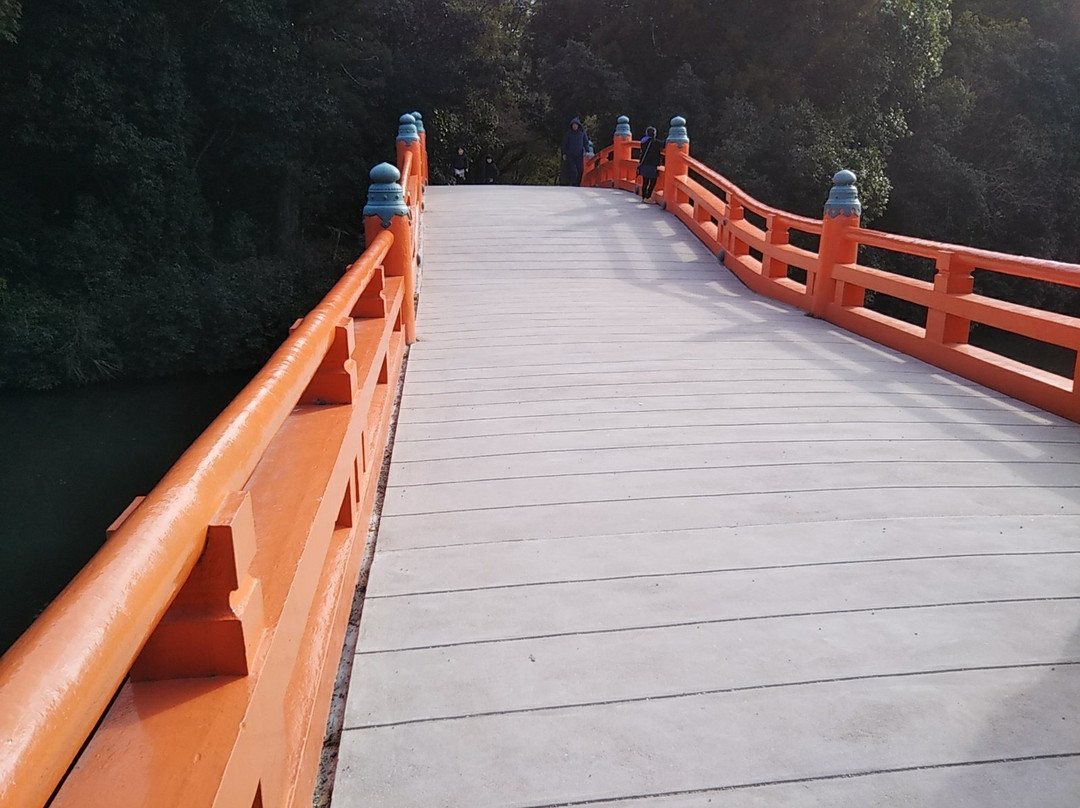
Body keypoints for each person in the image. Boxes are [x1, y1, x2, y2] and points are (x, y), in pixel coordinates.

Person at [561, 117, 589, 187]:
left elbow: (586, 142)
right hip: (570, 155)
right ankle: (574, 183)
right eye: (573, 125)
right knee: (572, 170)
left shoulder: (582, 133)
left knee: (581, 170)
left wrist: (587, 150)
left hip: (579, 155)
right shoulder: (568, 134)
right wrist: (564, 153)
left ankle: (578, 182)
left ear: (578, 125)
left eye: (576, 125)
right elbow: (565, 144)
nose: (574, 126)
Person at [637, 126, 662, 201]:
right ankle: (648, 196)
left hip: (644, 163)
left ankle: (644, 197)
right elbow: (664, 144)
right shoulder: (655, 142)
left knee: (645, 181)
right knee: (653, 181)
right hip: (652, 164)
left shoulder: (643, 142)